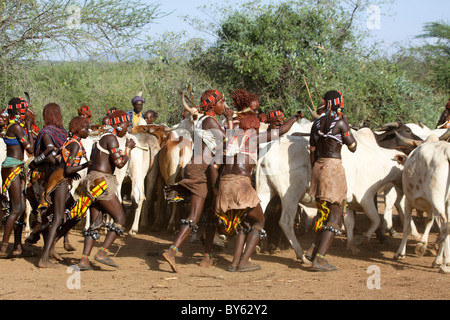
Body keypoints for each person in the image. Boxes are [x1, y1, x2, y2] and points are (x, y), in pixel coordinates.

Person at [162, 89, 234, 273]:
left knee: (210, 214)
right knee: (194, 216)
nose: (223, 106)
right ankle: (171, 251)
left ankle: (207, 256)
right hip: (200, 171)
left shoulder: (205, 120)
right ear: (212, 105)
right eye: (221, 102)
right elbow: (229, 142)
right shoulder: (209, 120)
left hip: (202, 170)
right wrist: (231, 119)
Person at [305, 90, 357, 272]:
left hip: (317, 169)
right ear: (338, 103)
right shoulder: (341, 122)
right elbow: (353, 147)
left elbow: (312, 149)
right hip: (333, 170)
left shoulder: (316, 122)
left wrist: (315, 168)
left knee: (324, 214)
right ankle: (319, 259)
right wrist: (347, 126)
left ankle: (313, 250)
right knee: (335, 217)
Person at [76, 110, 136, 270]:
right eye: (126, 125)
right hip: (102, 182)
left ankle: (84, 260)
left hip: (92, 181)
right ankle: (102, 252)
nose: (127, 128)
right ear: (117, 124)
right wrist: (129, 148)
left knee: (96, 223)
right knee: (120, 219)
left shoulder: (101, 138)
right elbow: (120, 163)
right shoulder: (111, 139)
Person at [37, 116, 91, 268]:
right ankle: (44, 258)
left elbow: (63, 163)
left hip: (60, 179)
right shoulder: (75, 145)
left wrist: (70, 171)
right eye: (86, 128)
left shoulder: (71, 141)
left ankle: (49, 250)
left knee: (70, 214)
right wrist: (86, 164)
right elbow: (67, 168)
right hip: (60, 182)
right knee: (58, 218)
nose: (88, 131)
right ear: (78, 129)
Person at [25, 103, 68, 249]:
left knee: (45, 211)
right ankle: (46, 246)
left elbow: (49, 152)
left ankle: (40, 242)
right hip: (61, 175)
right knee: (55, 213)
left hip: (44, 177)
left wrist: (34, 162)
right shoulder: (63, 132)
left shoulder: (46, 132)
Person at [0, 97, 35, 258]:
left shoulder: (15, 126)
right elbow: (30, 150)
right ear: (15, 111)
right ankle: (3, 248)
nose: (25, 113)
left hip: (16, 167)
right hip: (12, 168)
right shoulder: (16, 127)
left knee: (20, 209)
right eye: (22, 110)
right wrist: (29, 128)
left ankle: (17, 247)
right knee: (16, 208)